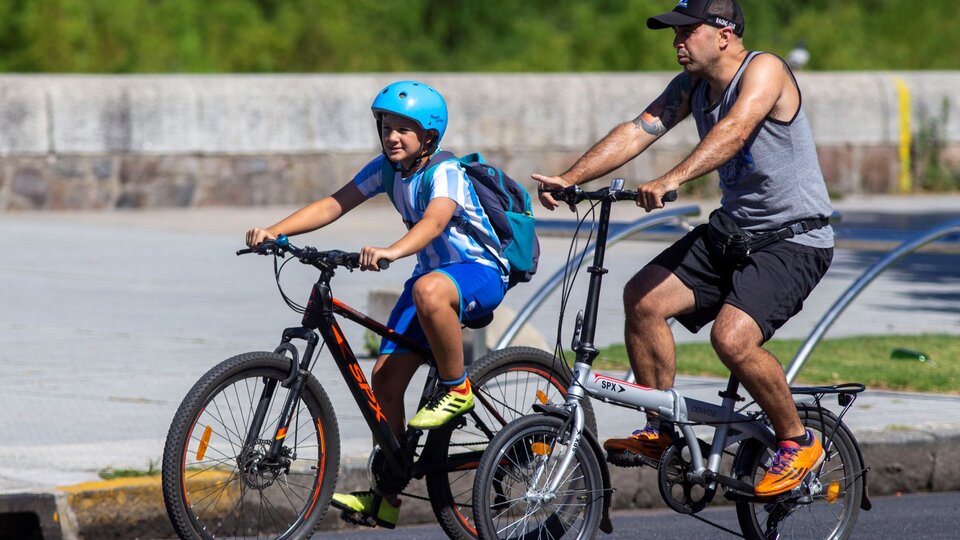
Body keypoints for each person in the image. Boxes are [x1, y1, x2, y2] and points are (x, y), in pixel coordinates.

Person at [534, 0, 834, 497]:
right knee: (644, 299)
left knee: (732, 340)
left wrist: (673, 177)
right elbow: (637, 131)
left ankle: (798, 440)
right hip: (732, 232)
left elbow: (735, 130)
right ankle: (662, 429)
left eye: (686, 31)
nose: (676, 42)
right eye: (673, 33)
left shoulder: (765, 70)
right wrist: (570, 178)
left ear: (723, 34)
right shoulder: (691, 86)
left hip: (793, 239)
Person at [245, 80, 509, 527]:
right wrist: (276, 230)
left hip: (478, 271)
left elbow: (434, 221)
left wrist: (391, 251)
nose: (392, 136)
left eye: (404, 128)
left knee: (427, 290)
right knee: (384, 381)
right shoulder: (387, 169)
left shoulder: (444, 170)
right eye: (387, 125)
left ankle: (457, 387)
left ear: (429, 137)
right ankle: (386, 496)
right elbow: (335, 203)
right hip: (430, 276)